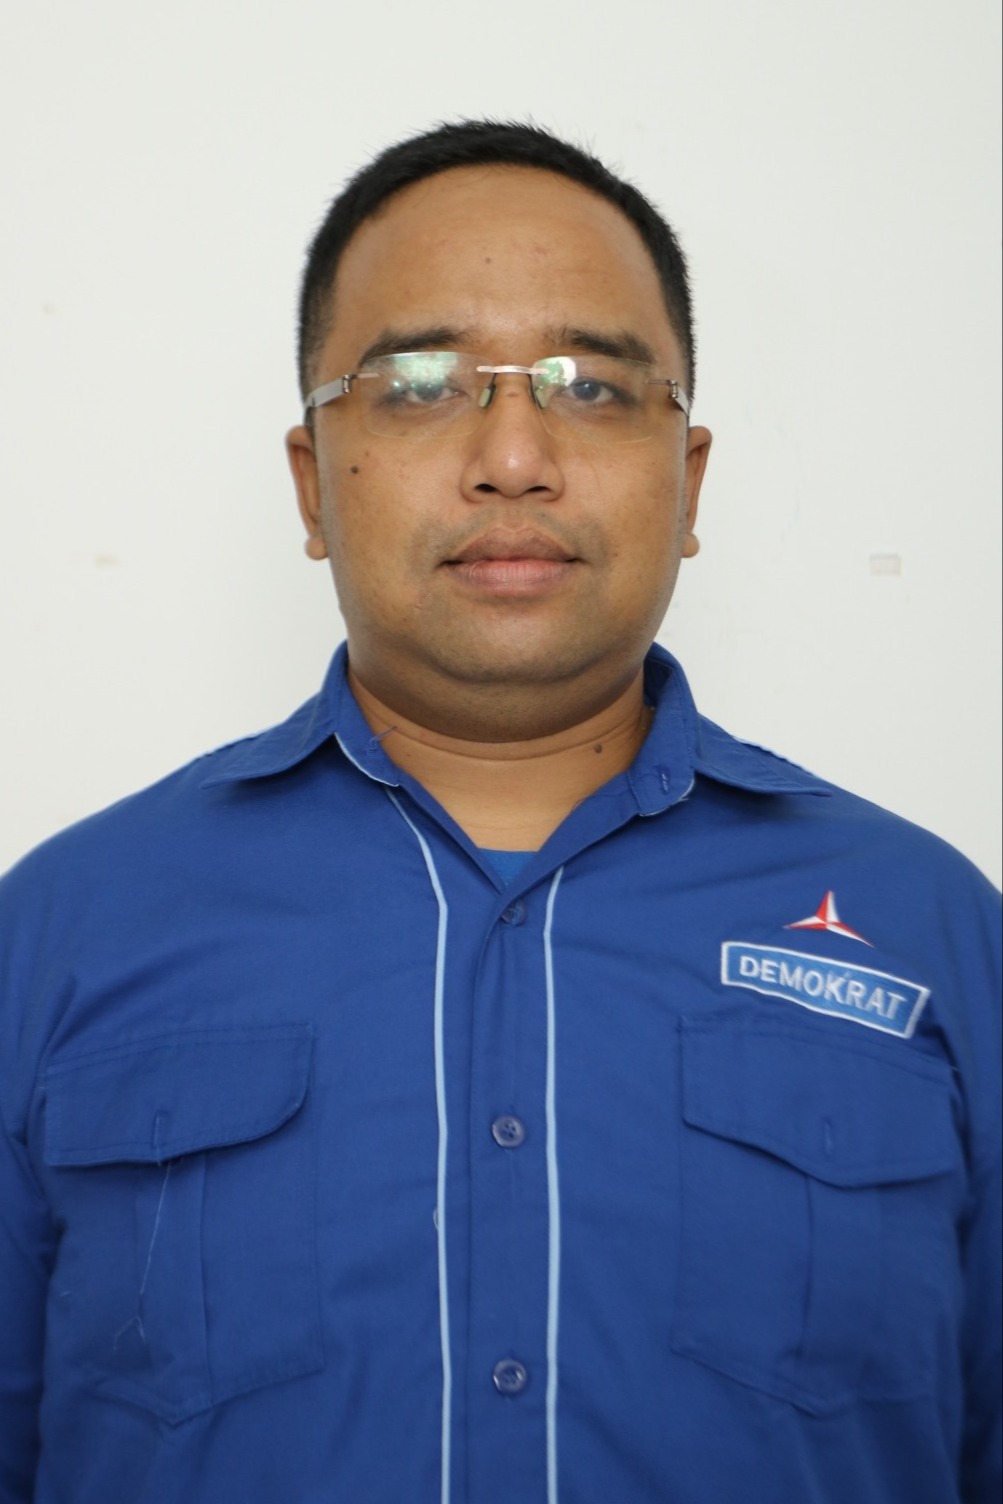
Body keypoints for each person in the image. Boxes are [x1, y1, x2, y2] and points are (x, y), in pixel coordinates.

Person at [0, 120, 999, 1504]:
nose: (515, 456)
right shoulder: (63, 932)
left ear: (690, 479)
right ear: (312, 482)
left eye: (592, 386)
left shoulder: (933, 932)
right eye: (420, 383)